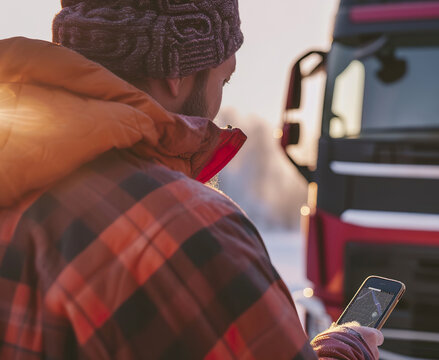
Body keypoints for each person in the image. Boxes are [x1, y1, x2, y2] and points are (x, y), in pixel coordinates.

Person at [0, 0, 383, 359]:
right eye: (224, 79)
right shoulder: (178, 229)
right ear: (176, 72)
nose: (217, 103)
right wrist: (348, 348)